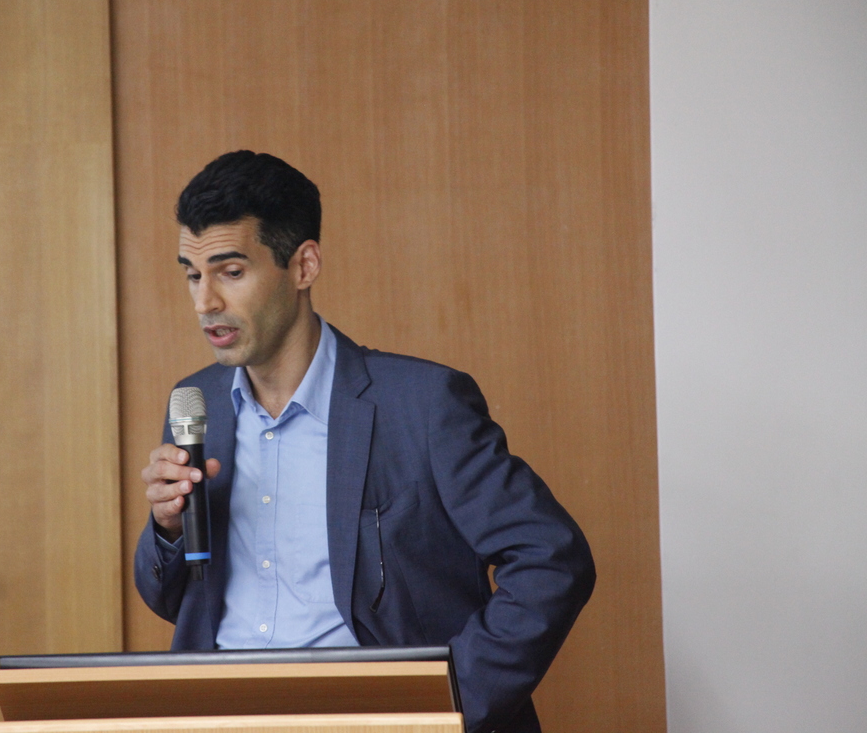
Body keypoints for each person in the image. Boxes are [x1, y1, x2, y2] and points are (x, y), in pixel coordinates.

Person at [134, 151, 595, 733]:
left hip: (372, 717)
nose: (205, 303)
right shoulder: (194, 403)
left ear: (303, 266)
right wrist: (169, 530)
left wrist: (452, 698)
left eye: (231, 272)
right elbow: (175, 599)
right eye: (192, 275)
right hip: (224, 713)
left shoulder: (422, 404)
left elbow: (552, 558)